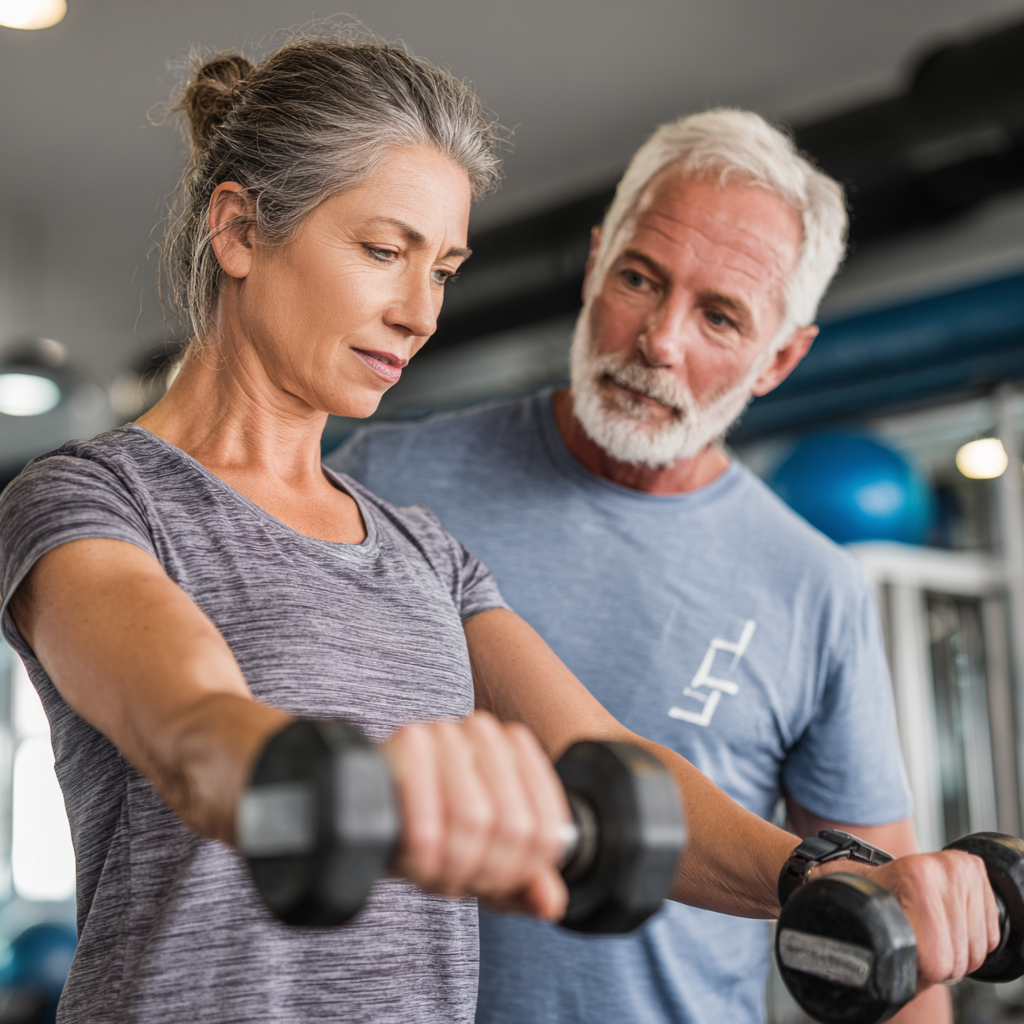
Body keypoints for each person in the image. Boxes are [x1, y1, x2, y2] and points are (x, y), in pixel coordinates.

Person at [0, 38, 996, 1024]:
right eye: (385, 251)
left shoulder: (421, 546)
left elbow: (611, 762)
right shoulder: (92, 497)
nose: (418, 311)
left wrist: (840, 873)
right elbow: (193, 730)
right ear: (239, 229)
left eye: (444, 268)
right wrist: (378, 780)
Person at [328, 109, 953, 1023]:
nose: (660, 340)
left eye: (720, 316)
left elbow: (885, 932)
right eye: (638, 278)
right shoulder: (385, 481)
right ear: (593, 264)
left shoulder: (814, 586)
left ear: (779, 359)